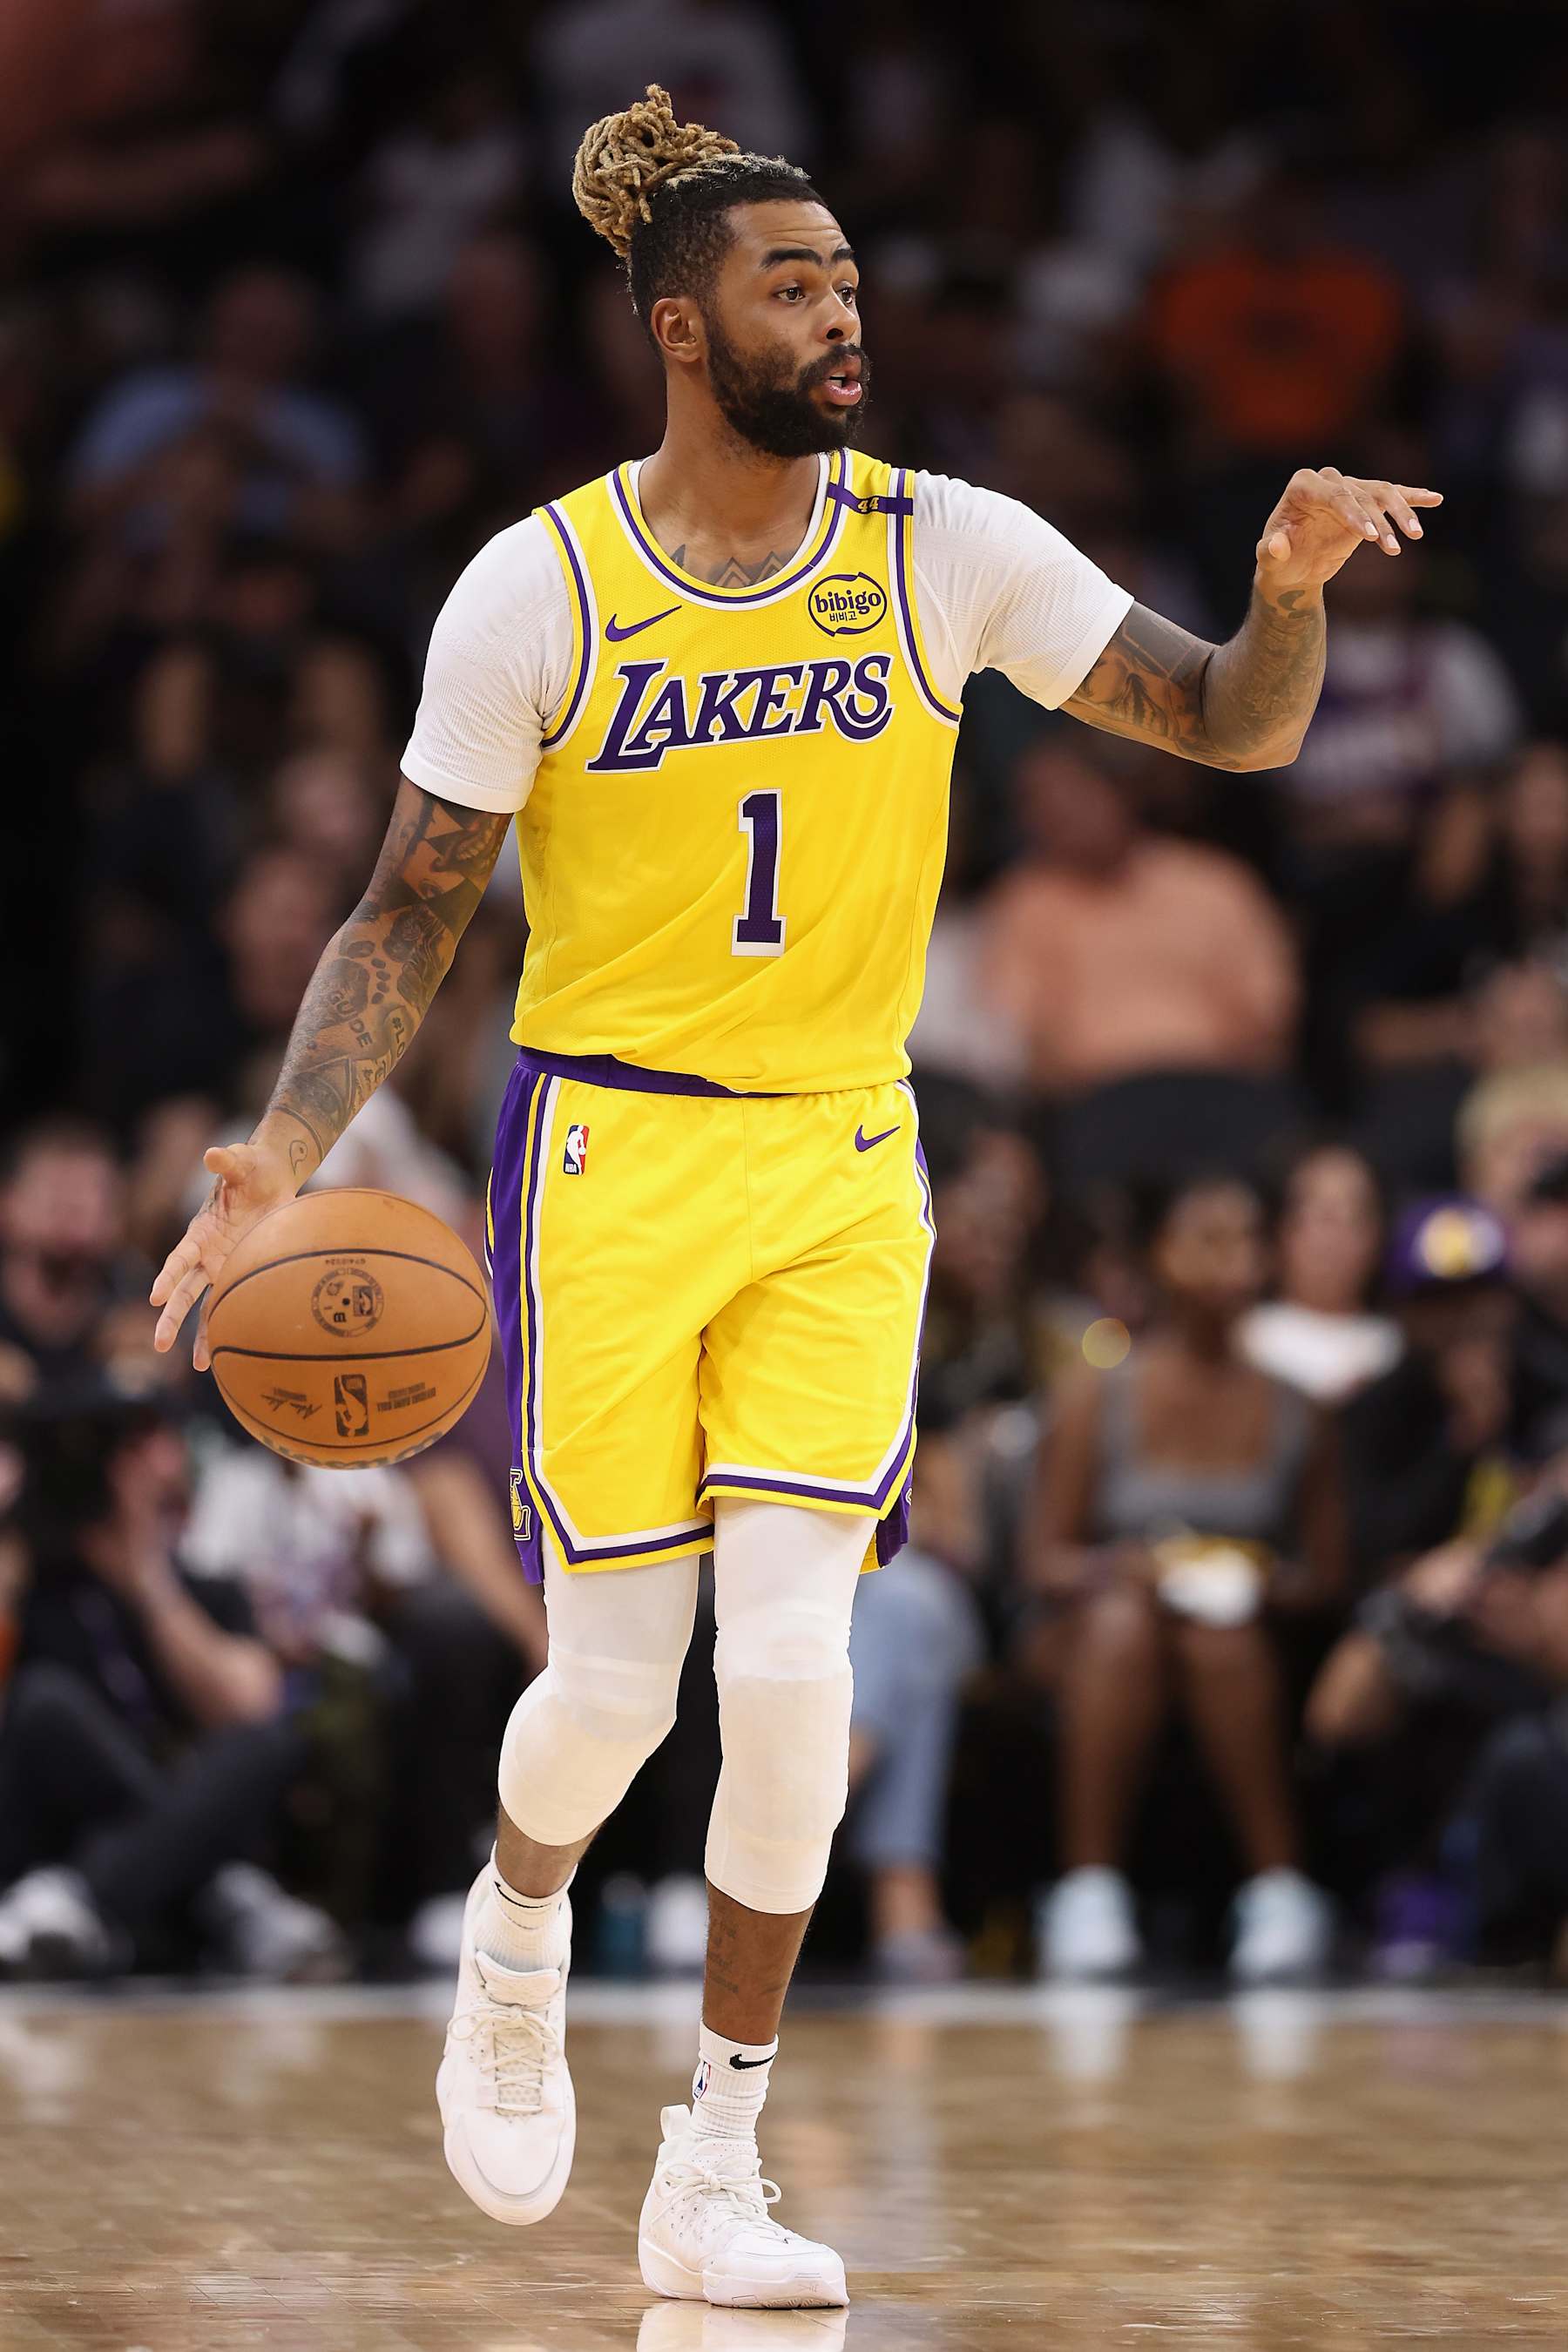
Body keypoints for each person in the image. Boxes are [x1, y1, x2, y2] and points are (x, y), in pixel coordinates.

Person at [149, 83, 1438, 2312]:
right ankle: (517, 1925)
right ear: (678, 324)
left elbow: (1232, 726)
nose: (845, 312)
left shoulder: (946, 541)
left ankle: (716, 2155)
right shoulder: (534, 584)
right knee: (614, 1687)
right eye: (793, 281)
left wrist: (1282, 585)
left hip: (842, 1155)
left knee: (795, 1671)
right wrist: (278, 1148)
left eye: (849, 276)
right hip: (608, 1155)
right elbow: (403, 910)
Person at [1027, 1175, 1346, 1984]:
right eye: (1206, 1238)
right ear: (1159, 1257)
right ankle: (1087, 1891)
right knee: (1124, 1623)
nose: (1230, 1262)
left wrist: (1253, 1576)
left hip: (1239, 1633)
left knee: (1218, 1640)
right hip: (1099, 1627)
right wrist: (1128, 1568)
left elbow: (1328, 1575)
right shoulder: (1097, 1395)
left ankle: (1281, 1893)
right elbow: (1045, 1559)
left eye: (1245, 1240)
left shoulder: (1298, 1408)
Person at [1240, 1143, 1402, 1404]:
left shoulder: (1396, 1349)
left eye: (1354, 1217)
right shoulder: (1245, 1341)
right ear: (1282, 1229)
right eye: (1323, 1216)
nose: (1336, 1238)